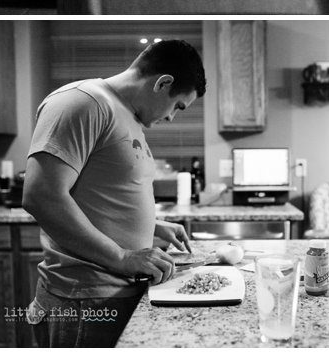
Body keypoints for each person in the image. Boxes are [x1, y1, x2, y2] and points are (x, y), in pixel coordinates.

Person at [23, 39, 208, 347]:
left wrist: (153, 227)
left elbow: (104, 192)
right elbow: (41, 196)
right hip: (85, 301)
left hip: (114, 293)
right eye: (177, 106)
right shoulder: (82, 103)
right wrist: (121, 256)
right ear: (163, 83)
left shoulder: (126, 115)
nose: (171, 118)